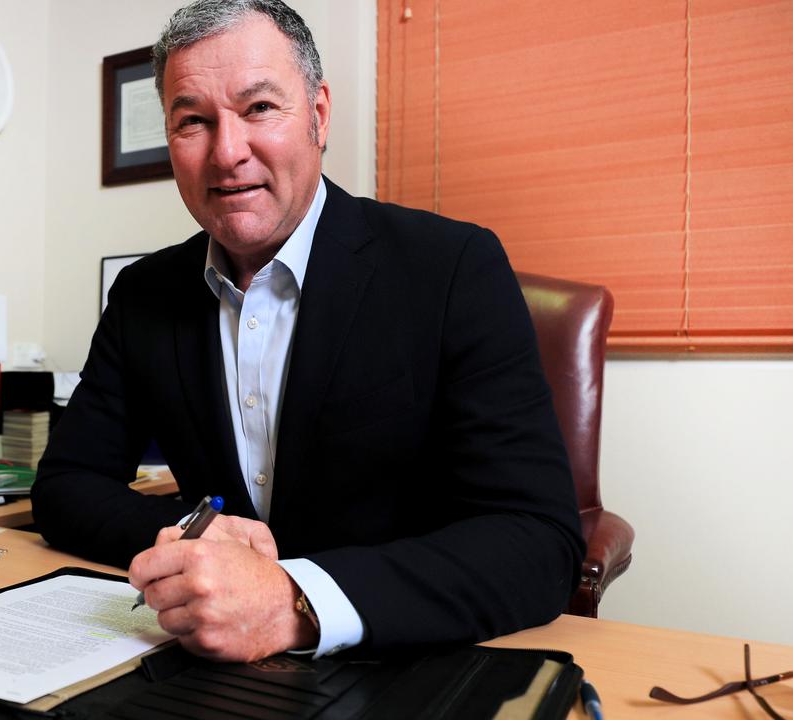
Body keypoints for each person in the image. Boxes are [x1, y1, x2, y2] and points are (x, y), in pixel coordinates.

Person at [32, 0, 583, 663]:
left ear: (318, 115)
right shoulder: (145, 294)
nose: (227, 152)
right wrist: (195, 537)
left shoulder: (452, 269)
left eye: (260, 108)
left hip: (405, 658)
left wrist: (293, 599)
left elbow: (536, 540)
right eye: (193, 122)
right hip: (205, 666)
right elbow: (65, 486)